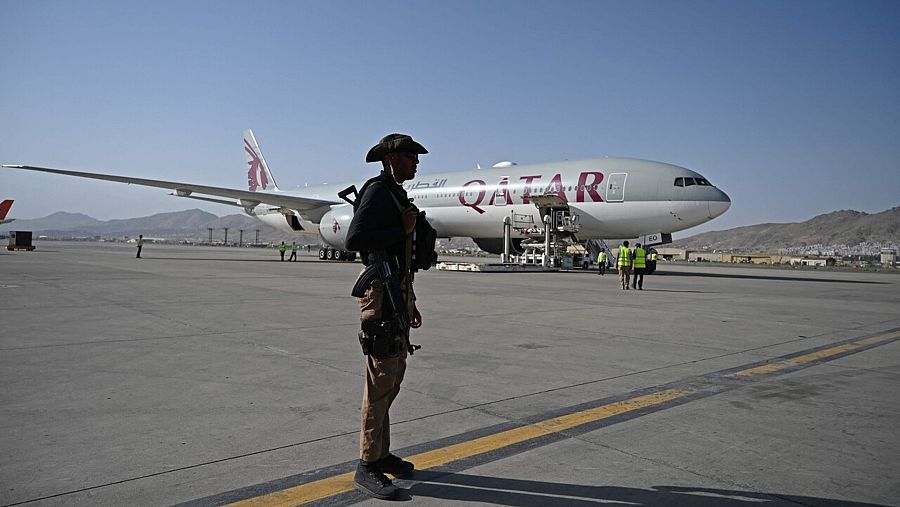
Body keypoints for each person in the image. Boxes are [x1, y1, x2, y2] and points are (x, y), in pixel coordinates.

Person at [345, 133, 428, 500]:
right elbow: (355, 239)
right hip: (380, 297)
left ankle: (380, 454)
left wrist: (411, 303)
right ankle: (366, 464)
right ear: (392, 158)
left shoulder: (396, 194)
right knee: (380, 381)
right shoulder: (378, 191)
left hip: (397, 294)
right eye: (410, 156)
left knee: (392, 378)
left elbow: (401, 257)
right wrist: (402, 229)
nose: (416, 162)